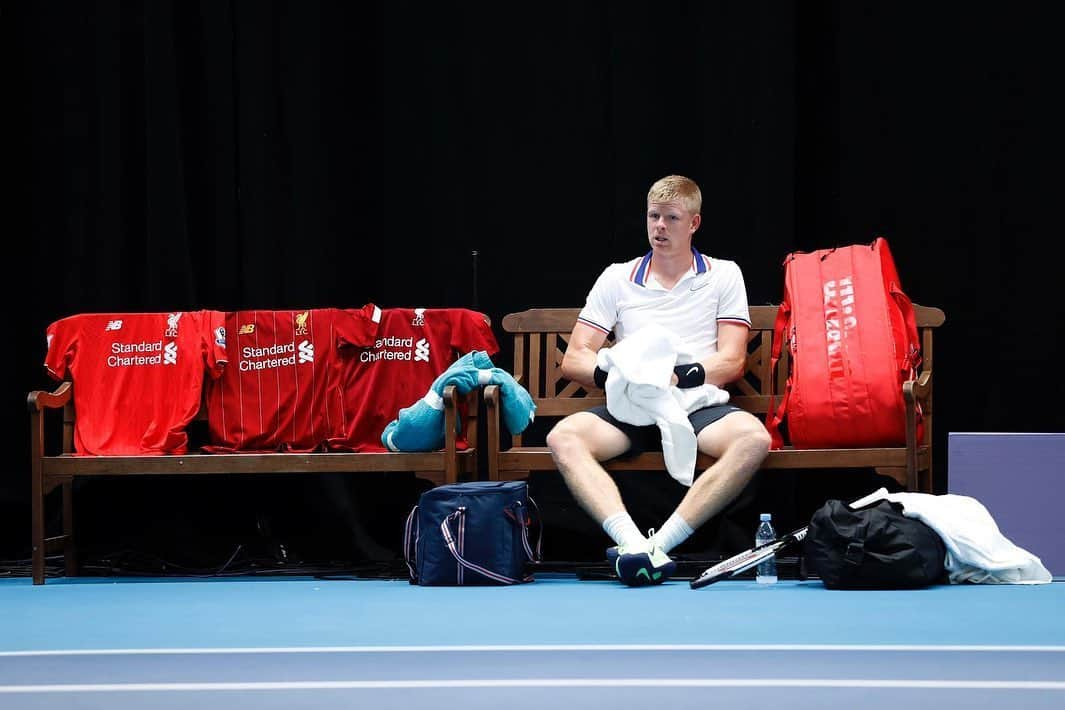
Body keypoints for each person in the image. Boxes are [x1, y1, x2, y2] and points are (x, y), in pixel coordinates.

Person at [545, 175, 771, 586]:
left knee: (753, 440)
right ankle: (633, 543)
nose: (660, 226)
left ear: (694, 223)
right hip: (631, 406)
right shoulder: (617, 277)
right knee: (564, 437)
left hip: (697, 406)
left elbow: (732, 359)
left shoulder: (723, 275)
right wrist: (626, 376)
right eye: (653, 217)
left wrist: (674, 377)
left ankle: (659, 547)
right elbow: (576, 358)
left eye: (671, 217)